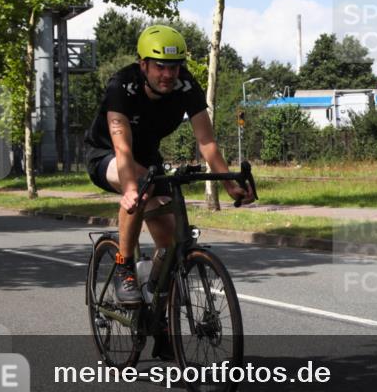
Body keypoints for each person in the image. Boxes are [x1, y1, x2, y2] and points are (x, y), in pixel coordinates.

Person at [84, 24, 254, 313]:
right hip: (107, 154)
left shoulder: (186, 86)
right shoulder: (122, 86)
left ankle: (157, 307)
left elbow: (207, 141)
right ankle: (124, 267)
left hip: (148, 159)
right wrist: (128, 188)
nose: (168, 75)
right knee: (139, 189)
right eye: (160, 67)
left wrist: (229, 184)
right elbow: (122, 147)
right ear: (144, 64)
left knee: (172, 241)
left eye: (174, 68)